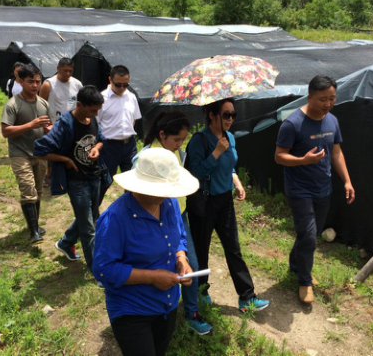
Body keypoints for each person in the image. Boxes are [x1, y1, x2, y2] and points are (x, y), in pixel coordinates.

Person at [93, 148, 198, 356]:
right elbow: (104, 269)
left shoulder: (170, 203)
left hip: (166, 305)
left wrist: (181, 259)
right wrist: (152, 277)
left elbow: (179, 237)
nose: (162, 195)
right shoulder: (116, 218)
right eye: (156, 189)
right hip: (132, 309)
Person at [275, 75, 355, 304]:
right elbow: (279, 157)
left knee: (310, 234)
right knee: (309, 236)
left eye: (332, 98)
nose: (328, 104)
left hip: (324, 188)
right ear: (309, 97)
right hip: (299, 189)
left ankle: (295, 264)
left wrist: (347, 181)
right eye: (322, 99)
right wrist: (303, 160)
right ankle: (305, 282)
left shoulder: (332, 121)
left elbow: (337, 152)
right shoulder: (293, 123)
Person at [185, 98, 269, 312]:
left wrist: (238, 183)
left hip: (225, 201)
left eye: (233, 115)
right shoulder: (199, 141)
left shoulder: (229, 137)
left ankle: (246, 296)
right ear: (212, 115)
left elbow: (230, 167)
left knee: (234, 249)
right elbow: (194, 173)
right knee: (201, 249)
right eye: (226, 115)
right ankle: (201, 290)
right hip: (204, 202)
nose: (231, 119)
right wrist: (216, 152)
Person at [132, 112, 212, 336]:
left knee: (189, 265)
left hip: (179, 215)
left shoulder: (173, 154)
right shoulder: (145, 159)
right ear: (162, 135)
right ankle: (154, 314)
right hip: (153, 222)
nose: (179, 145)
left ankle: (191, 313)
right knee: (157, 267)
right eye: (177, 140)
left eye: (182, 141)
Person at [34, 86, 106, 270]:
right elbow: (40, 150)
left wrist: (97, 148)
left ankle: (66, 243)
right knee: (89, 228)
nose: (96, 113)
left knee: (91, 216)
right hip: (77, 181)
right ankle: (96, 270)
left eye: (98, 110)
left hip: (94, 176)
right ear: (79, 104)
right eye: (92, 110)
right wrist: (64, 159)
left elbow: (100, 138)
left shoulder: (92, 118)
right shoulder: (65, 124)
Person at [1, 63, 50, 244]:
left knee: (38, 191)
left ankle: (35, 224)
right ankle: (33, 232)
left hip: (39, 153)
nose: (35, 86)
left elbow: (47, 126)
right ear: (21, 82)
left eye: (38, 81)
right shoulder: (13, 104)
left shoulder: (43, 103)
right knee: (28, 191)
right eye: (31, 82)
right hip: (19, 153)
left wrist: (50, 130)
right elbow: (6, 131)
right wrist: (31, 124)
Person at [97, 65, 141, 206]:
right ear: (110, 80)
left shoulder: (131, 97)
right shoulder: (101, 99)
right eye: (118, 85)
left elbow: (133, 119)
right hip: (109, 147)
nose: (122, 88)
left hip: (129, 146)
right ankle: (92, 217)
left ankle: (131, 214)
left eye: (125, 84)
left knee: (133, 184)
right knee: (103, 183)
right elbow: (95, 125)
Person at [39, 57, 83, 187]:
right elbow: (40, 106)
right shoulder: (48, 84)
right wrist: (46, 125)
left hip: (72, 124)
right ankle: (49, 176)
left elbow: (80, 104)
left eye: (70, 71)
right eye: (65, 71)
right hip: (54, 125)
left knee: (71, 150)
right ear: (58, 68)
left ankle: (69, 175)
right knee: (52, 152)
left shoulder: (77, 84)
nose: (68, 74)